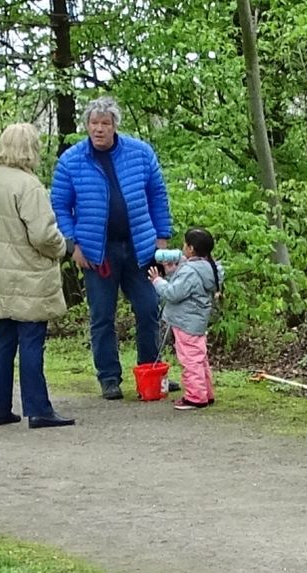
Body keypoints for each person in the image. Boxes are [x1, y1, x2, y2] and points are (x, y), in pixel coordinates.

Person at [50, 95, 179, 400]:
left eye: (105, 124)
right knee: (102, 316)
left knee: (149, 309)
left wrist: (162, 237)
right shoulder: (71, 160)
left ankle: (151, 369)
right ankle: (109, 377)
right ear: (87, 126)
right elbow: (59, 205)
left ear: (114, 126)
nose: (99, 129)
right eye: (94, 123)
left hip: (140, 248)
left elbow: (158, 196)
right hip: (97, 252)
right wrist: (73, 245)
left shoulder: (140, 153)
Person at [0, 122, 75, 429]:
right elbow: (43, 235)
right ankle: (39, 409)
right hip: (28, 273)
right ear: (30, 148)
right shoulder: (28, 185)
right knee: (32, 340)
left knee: (2, 340)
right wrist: (63, 247)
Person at [148, 227, 223, 410]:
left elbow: (173, 293)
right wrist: (174, 273)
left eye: (185, 244)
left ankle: (195, 397)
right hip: (197, 320)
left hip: (185, 322)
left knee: (190, 360)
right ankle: (206, 393)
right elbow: (189, 288)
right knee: (199, 357)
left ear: (190, 249)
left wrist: (158, 281)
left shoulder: (190, 271)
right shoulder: (209, 268)